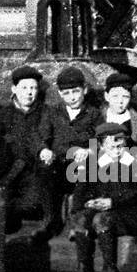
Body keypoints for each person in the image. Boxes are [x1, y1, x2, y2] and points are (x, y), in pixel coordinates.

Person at [65, 122, 137, 272]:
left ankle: (110, 268)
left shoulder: (134, 164)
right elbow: (80, 192)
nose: (116, 148)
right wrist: (86, 205)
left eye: (119, 143)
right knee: (82, 218)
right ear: (101, 145)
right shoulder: (95, 164)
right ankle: (83, 270)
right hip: (104, 211)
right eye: (110, 144)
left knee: (101, 219)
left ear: (126, 144)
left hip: (129, 216)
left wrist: (112, 202)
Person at [28, 64, 103, 237]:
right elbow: (40, 136)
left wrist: (89, 151)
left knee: (89, 168)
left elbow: (102, 140)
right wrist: (43, 150)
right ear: (61, 94)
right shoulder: (53, 112)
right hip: (59, 166)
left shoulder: (93, 114)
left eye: (75, 91)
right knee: (44, 168)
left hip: (81, 168)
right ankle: (50, 221)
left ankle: (77, 223)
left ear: (84, 90)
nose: (72, 97)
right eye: (66, 93)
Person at [103, 72, 137, 150]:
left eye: (125, 97)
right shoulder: (97, 116)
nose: (120, 101)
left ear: (130, 98)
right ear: (107, 96)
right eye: (115, 96)